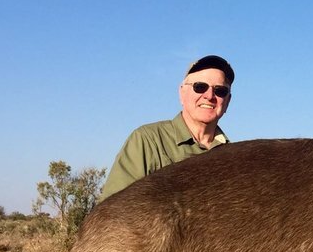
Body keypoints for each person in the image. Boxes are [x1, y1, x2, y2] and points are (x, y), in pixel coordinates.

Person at [98, 54, 234, 201]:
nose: (209, 95)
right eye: (200, 87)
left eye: (220, 91)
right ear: (182, 93)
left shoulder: (233, 157)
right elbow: (112, 213)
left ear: (227, 101)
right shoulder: (147, 140)